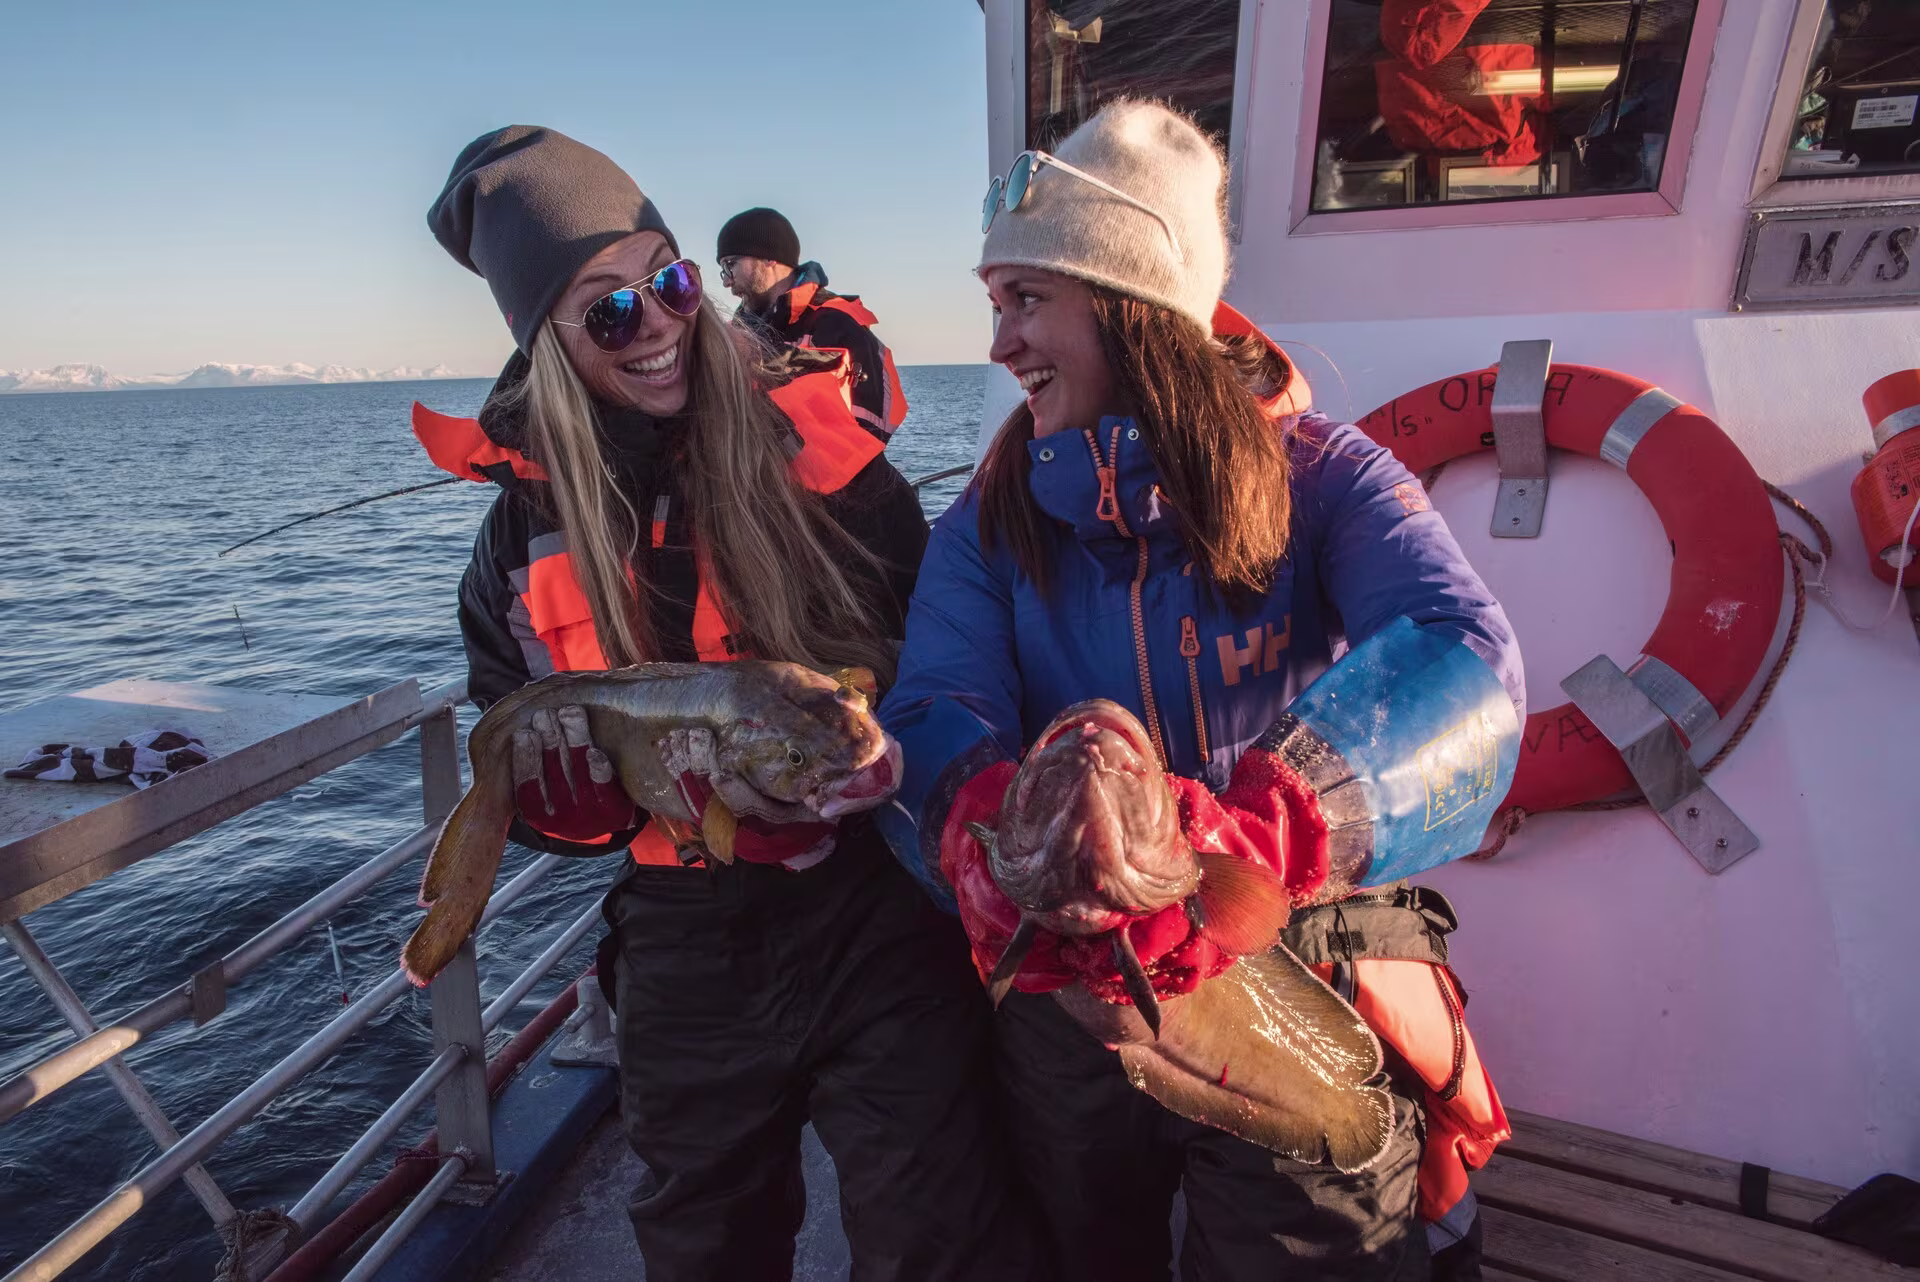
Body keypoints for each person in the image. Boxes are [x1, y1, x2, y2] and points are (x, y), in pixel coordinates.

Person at [876, 100, 1524, 1281]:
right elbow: (932, 704)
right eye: (996, 305)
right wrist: (983, 840)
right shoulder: (989, 518)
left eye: (1026, 301)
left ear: (1128, 303)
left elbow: (1463, 654)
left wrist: (1268, 829)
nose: (1001, 344)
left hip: (1291, 953)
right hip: (1071, 980)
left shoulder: (1323, 475)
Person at [415, 125, 1041, 1282]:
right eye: (605, 309)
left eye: (667, 279)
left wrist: (861, 770)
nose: (653, 323)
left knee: (937, 1231)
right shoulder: (516, 538)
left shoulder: (832, 457)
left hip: (875, 911)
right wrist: (568, 803)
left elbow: (948, 661)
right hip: (681, 939)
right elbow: (546, 793)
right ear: (544, 341)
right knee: (702, 1241)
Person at [716, 206, 908, 438]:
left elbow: (875, 427)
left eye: (730, 265)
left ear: (768, 257)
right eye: (723, 270)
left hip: (829, 474)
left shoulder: (837, 322)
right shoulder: (734, 335)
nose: (727, 282)